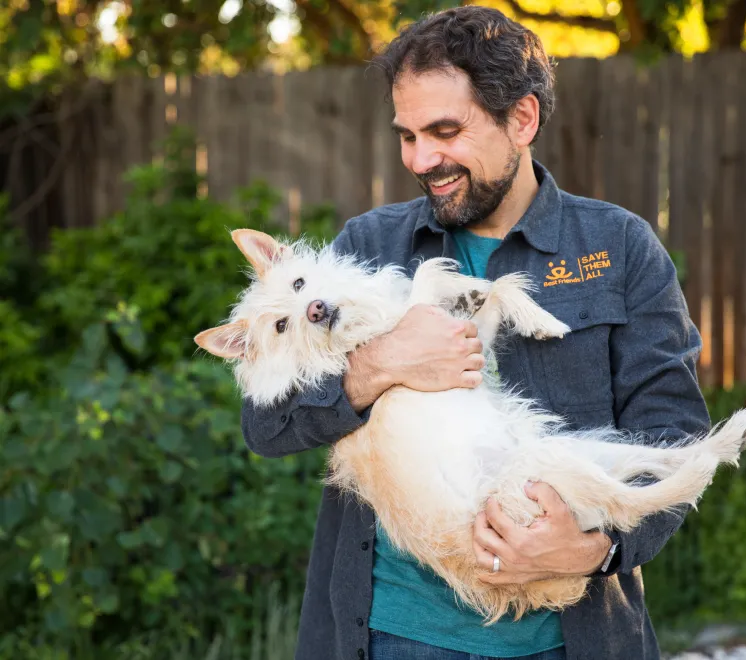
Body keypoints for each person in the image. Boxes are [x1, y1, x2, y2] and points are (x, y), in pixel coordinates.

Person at [240, 6, 711, 660]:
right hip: (394, 636)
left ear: (522, 119)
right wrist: (377, 367)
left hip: (570, 635)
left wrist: (599, 547)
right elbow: (266, 425)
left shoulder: (618, 245)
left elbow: (675, 431)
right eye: (408, 135)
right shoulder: (369, 246)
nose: (422, 158)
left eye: (445, 131)